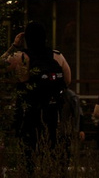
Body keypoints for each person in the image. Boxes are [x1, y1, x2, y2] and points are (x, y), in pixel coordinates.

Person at [5, 22, 73, 164]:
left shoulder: (21, 57)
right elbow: (67, 80)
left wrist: (15, 45)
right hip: (52, 113)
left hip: (29, 113)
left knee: (28, 155)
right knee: (52, 152)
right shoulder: (57, 56)